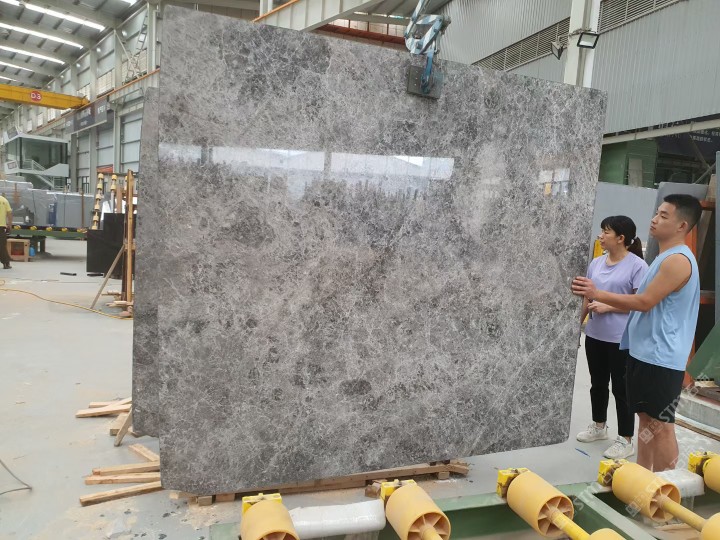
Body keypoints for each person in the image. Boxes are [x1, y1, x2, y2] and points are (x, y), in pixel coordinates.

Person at [572, 194, 702, 471]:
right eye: (657, 213)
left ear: (682, 225)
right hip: (643, 352)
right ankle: (643, 478)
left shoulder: (677, 261)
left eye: (664, 216)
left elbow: (644, 302)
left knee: (661, 426)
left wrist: (598, 294)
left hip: (660, 356)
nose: (654, 219)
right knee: (645, 419)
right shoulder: (663, 257)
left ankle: (666, 487)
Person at [576, 216, 648, 459]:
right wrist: (577, 326)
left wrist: (608, 307)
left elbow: (641, 304)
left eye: (606, 231)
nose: (601, 235)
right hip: (595, 335)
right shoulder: (596, 263)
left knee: (621, 389)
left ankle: (625, 439)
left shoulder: (638, 266)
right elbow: (587, 297)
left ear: (621, 238)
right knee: (597, 383)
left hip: (621, 339)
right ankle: (599, 426)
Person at [0, 194, 12, 269]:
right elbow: (9, 213)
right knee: (2, 246)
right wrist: (9, 225)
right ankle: (6, 263)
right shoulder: (4, 200)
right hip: (1, 227)